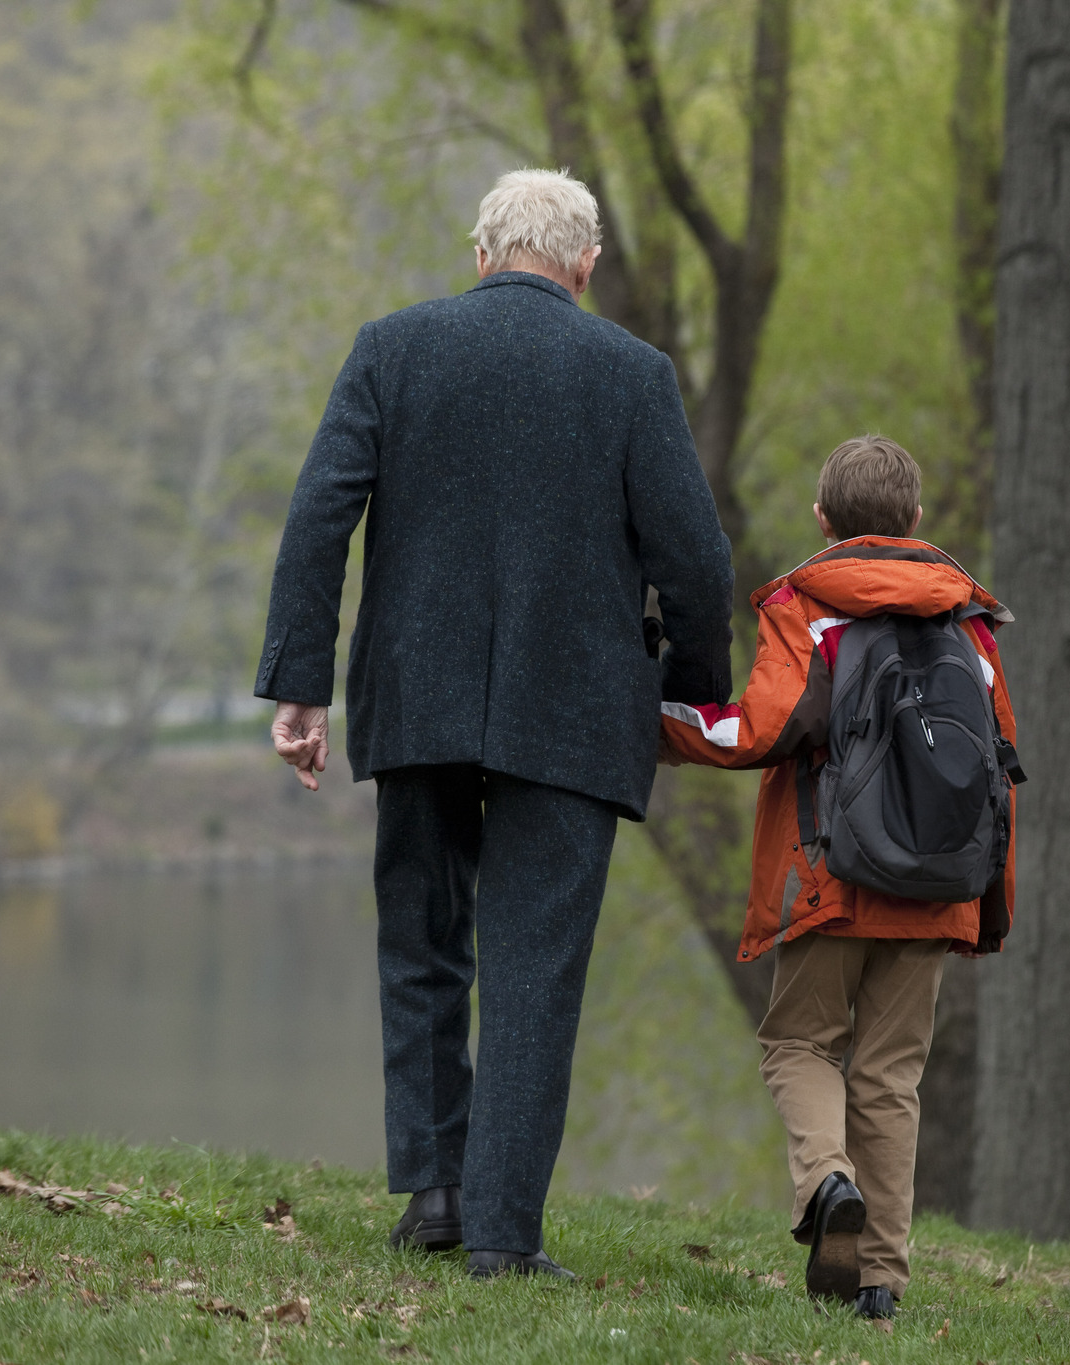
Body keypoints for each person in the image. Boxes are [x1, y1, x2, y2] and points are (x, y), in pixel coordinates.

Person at [255, 168, 734, 1280]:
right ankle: (503, 1239)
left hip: (414, 694)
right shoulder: (632, 374)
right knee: (533, 966)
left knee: (422, 939)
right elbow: (697, 562)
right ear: (584, 265)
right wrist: (692, 696)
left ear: (481, 254)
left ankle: (432, 1193)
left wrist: (301, 685)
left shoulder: (391, 347)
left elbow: (319, 513)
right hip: (570, 711)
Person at [659, 435, 1017, 1319]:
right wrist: (987, 907)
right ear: (916, 522)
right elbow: (997, 774)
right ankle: (881, 1283)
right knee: (891, 1077)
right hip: (938, 892)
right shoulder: (968, 624)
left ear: (823, 519)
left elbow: (760, 729)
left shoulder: (812, 608)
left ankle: (827, 1181)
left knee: (799, 1043)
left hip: (831, 876)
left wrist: (657, 719)